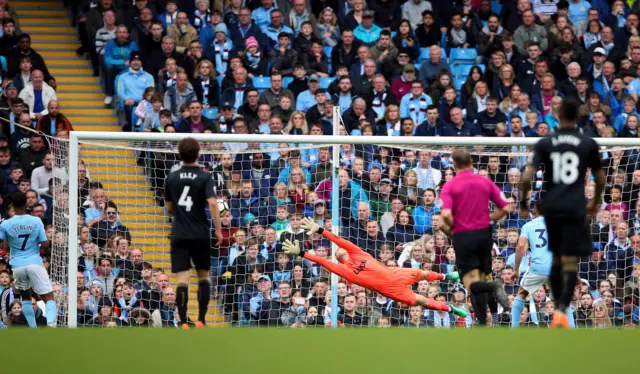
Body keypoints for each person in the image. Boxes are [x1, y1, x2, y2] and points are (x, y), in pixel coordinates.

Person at [519, 98, 605, 328]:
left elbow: (527, 176)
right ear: (578, 116)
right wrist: (595, 202)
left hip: (553, 207)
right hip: (576, 207)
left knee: (557, 257)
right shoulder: (587, 143)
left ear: (557, 116)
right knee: (571, 261)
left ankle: (558, 308)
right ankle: (561, 311)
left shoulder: (546, 142)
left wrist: (523, 203)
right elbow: (600, 176)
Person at [282, 217, 468, 318]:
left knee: (423, 273)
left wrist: (321, 230)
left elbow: (339, 240)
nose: (339, 250)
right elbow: (324, 262)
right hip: (389, 289)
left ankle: (445, 277)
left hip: (394, 272)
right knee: (422, 301)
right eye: (337, 253)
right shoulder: (346, 272)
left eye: (340, 250)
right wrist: (301, 253)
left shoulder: (356, 253)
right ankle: (449, 308)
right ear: (339, 258)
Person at [439, 148, 510, 326]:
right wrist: (488, 219)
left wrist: (457, 228)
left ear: (454, 165)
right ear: (471, 162)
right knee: (485, 276)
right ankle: (486, 321)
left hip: (464, 236)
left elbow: (445, 215)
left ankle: (491, 293)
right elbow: (506, 207)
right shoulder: (484, 181)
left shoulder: (450, 185)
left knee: (472, 284)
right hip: (484, 235)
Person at [164, 138, 223, 329]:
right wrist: (218, 230)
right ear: (198, 154)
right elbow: (213, 203)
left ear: (180, 155)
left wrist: (182, 215)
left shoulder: (171, 177)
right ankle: (201, 320)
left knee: (182, 280)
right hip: (200, 233)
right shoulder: (204, 176)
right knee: (203, 276)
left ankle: (182, 321)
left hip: (179, 233)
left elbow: (169, 206)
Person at [509, 201, 576, 327]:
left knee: (522, 293)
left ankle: (514, 328)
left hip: (537, 268)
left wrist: (516, 269)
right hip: (555, 268)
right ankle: (572, 329)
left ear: (535, 210)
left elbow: (520, 246)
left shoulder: (528, 226)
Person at [0, 191, 56, 327]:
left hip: (17, 265)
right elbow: (45, 243)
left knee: (25, 297)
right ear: (26, 203)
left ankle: (33, 329)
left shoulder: (6, 224)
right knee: (49, 298)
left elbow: (2, 244)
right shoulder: (35, 221)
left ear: (12, 205)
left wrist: (10, 244)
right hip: (34, 263)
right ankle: (50, 325)